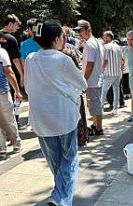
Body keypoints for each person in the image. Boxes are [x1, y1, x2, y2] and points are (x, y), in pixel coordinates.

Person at [24, 20, 87, 205]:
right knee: (70, 159)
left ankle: (59, 195)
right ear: (57, 38)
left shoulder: (30, 59)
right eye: (62, 35)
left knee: (56, 162)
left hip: (41, 119)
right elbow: (82, 84)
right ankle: (60, 199)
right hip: (63, 117)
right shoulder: (62, 59)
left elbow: (28, 88)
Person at [74, 19, 104, 135]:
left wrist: (83, 80)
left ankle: (99, 128)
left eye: (81, 30)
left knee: (94, 105)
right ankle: (96, 125)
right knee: (94, 104)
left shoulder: (90, 44)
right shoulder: (95, 42)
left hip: (92, 80)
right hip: (96, 78)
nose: (79, 34)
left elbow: (90, 64)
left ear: (88, 29)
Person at [0, 14, 24, 129]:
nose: (17, 27)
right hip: (10, 72)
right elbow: (15, 60)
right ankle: (16, 123)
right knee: (16, 97)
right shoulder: (11, 39)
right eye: (16, 25)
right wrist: (22, 75)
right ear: (10, 24)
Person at [0, 42, 22, 159]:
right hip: (2, 90)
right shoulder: (2, 52)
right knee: (9, 118)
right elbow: (9, 72)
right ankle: (16, 144)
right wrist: (17, 90)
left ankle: (1, 148)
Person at [100, 31, 122, 115]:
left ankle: (101, 109)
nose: (103, 38)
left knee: (104, 91)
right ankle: (115, 109)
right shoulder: (118, 47)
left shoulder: (105, 47)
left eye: (104, 36)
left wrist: (101, 70)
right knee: (116, 91)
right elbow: (122, 60)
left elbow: (105, 60)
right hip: (117, 72)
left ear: (108, 37)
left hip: (109, 73)